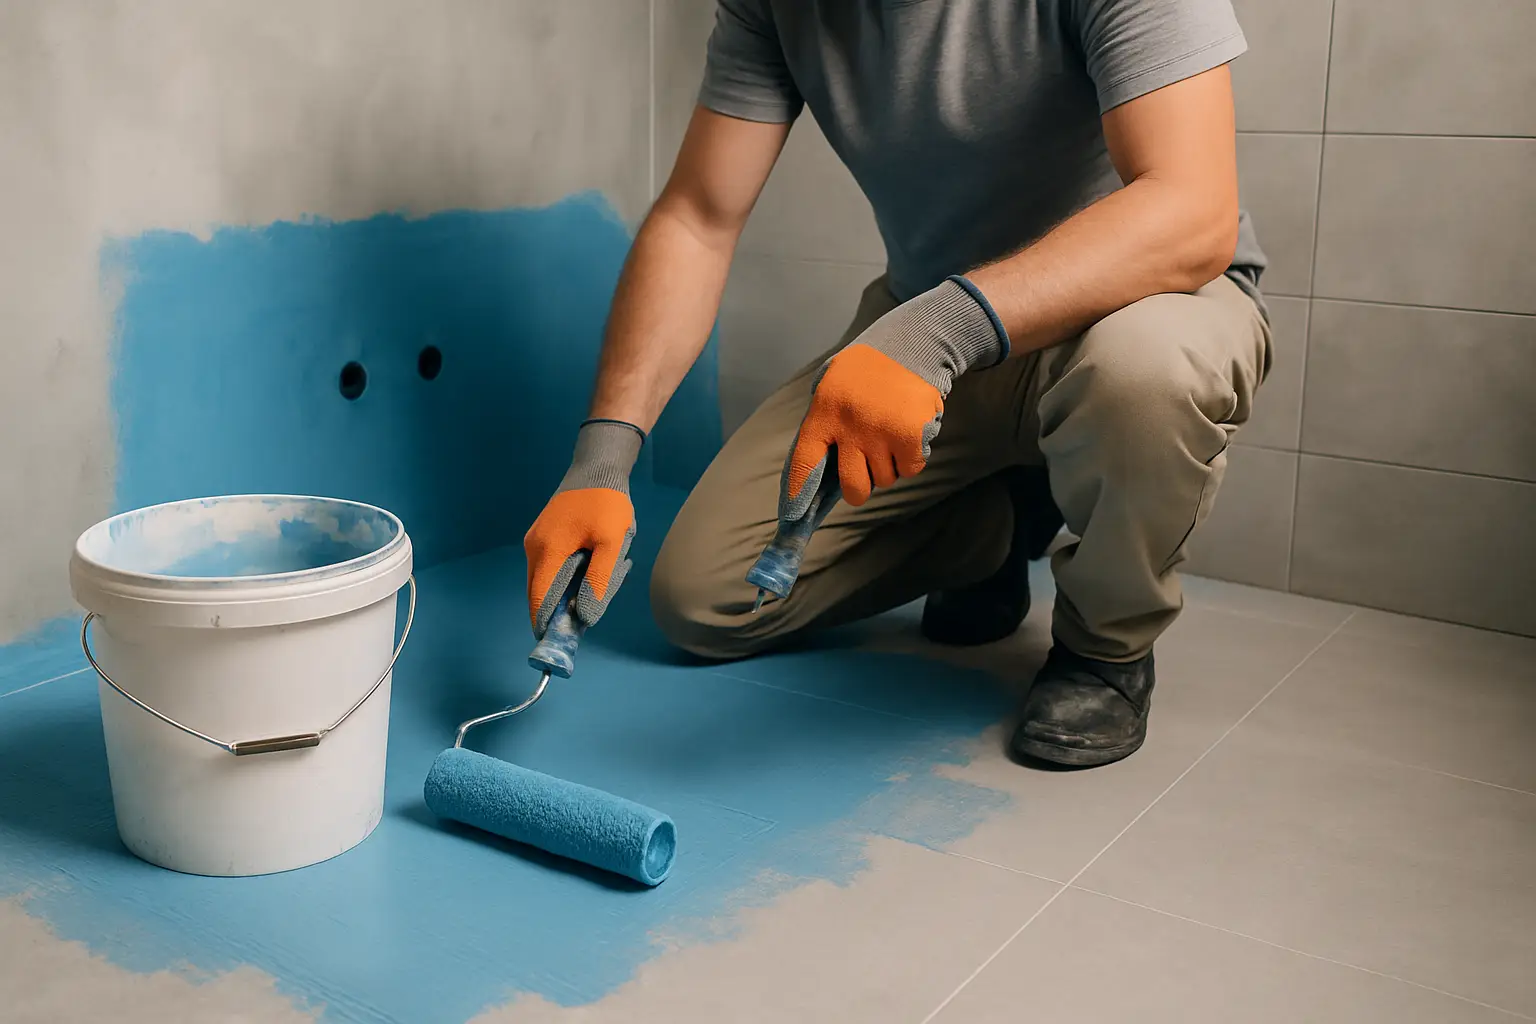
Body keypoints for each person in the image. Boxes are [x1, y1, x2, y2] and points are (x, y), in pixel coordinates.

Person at [523, 0, 1272, 769]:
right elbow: (698, 219)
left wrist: (933, 331)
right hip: (935, 320)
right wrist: (603, 460)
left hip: (1137, 304)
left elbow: (1191, 208)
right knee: (705, 596)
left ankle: (1106, 649)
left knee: (1147, 377)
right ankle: (999, 528)